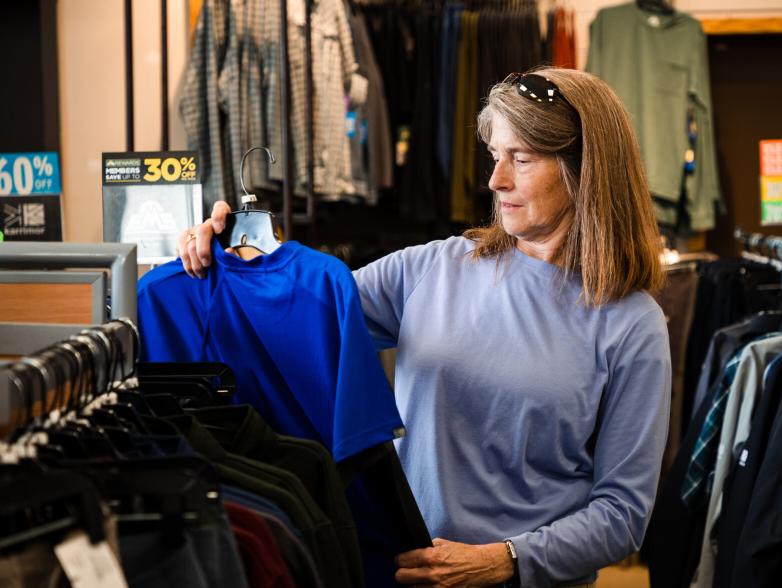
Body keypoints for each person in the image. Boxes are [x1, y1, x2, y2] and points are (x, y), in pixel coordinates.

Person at [177, 67, 671, 587]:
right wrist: (232, 256)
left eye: (521, 159)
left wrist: (502, 560)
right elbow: (290, 317)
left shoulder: (631, 324)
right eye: (495, 156)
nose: (496, 179)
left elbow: (622, 513)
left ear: (584, 169)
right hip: (402, 573)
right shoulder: (431, 269)